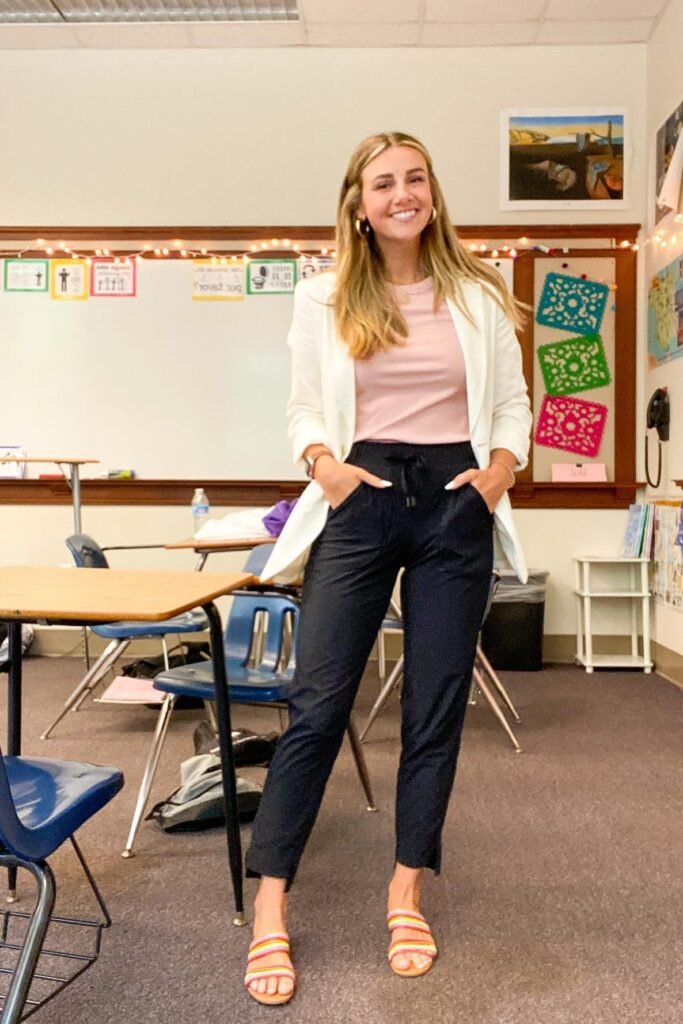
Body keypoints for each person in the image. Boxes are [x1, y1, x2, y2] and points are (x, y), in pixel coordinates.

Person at [243, 131, 532, 1005]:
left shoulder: (479, 293)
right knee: (318, 704)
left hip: (454, 500)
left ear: (431, 195)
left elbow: (513, 402)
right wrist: (325, 466)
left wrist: (496, 476)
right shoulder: (322, 294)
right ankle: (269, 907)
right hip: (360, 497)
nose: (401, 193)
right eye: (383, 183)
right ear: (359, 204)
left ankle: (405, 890)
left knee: (433, 705)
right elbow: (302, 406)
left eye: (414, 178)